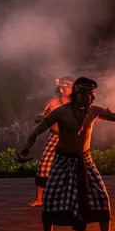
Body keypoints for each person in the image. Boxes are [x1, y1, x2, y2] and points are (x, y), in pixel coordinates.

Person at [17, 77, 115, 231]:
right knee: (51, 197)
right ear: (76, 94)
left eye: (91, 94)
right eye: (85, 94)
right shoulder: (60, 112)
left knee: (101, 197)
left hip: (85, 159)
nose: (88, 98)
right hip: (62, 160)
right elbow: (36, 132)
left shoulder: (94, 111)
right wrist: (25, 150)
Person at [29, 76, 74, 207]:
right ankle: (39, 199)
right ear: (61, 89)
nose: (71, 89)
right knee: (43, 167)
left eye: (72, 86)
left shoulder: (77, 104)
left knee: (76, 168)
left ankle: (73, 199)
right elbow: (38, 118)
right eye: (69, 86)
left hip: (73, 138)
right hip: (55, 137)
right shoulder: (53, 103)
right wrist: (44, 116)